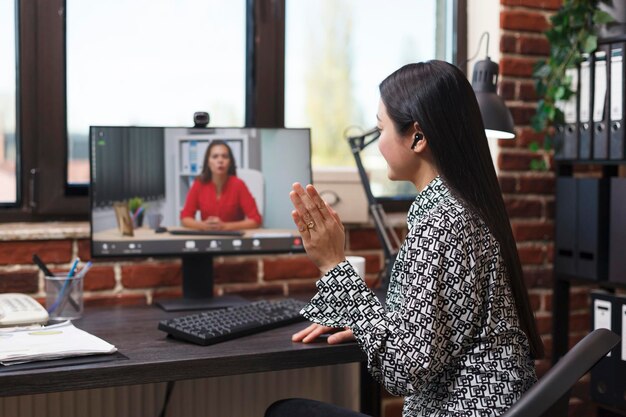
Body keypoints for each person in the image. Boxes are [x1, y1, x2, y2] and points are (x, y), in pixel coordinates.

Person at [268, 60, 543, 417]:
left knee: (285, 412)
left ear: (417, 136)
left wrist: (333, 263)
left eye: (381, 128)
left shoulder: (442, 223)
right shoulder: (463, 206)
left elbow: (402, 371)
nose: (377, 142)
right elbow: (432, 329)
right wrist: (369, 321)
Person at [180, 140, 262, 230]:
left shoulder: (238, 185)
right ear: (208, 162)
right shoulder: (199, 184)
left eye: (225, 156)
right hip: (208, 237)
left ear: (230, 162)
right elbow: (185, 218)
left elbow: (256, 220)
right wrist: (203, 226)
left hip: (234, 238)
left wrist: (225, 226)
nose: (220, 160)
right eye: (215, 157)